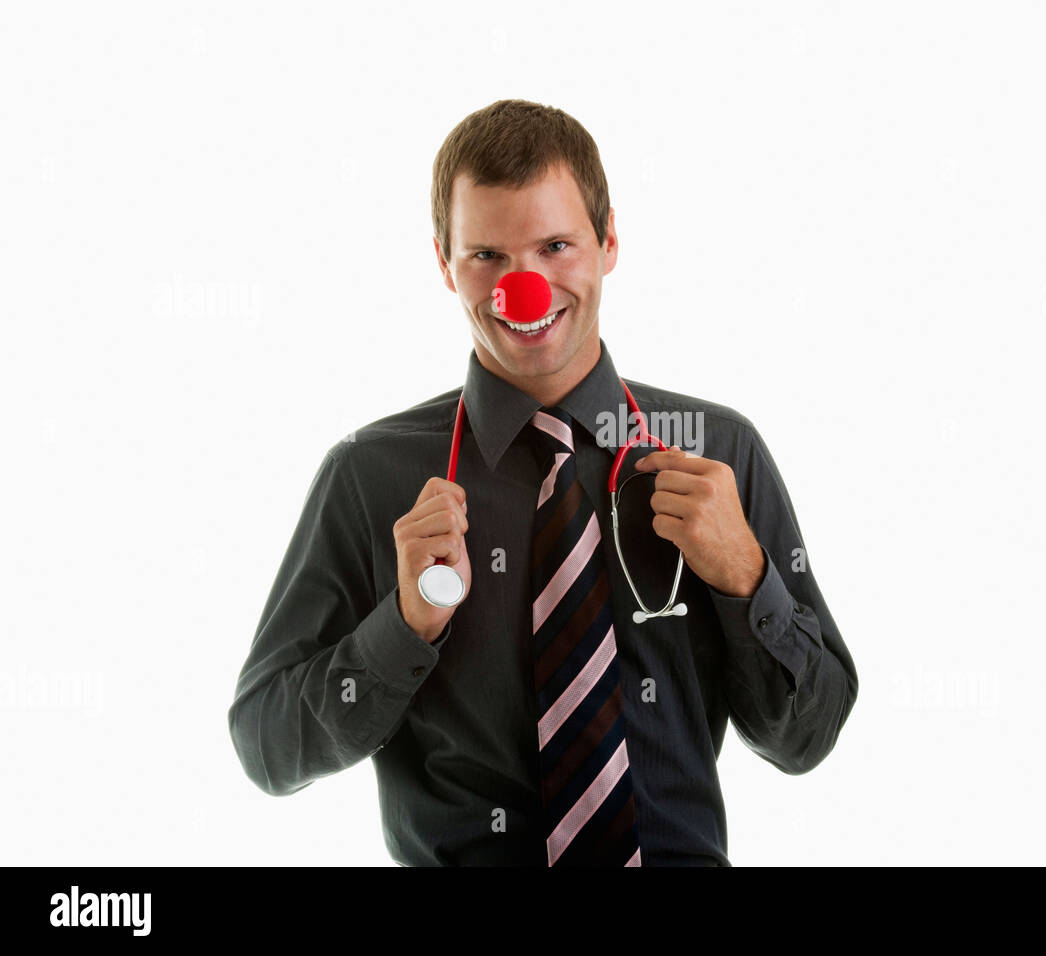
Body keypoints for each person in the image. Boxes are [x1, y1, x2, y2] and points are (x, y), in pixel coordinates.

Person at [227, 99, 858, 866]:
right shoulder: (369, 475)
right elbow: (267, 749)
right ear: (442, 264)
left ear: (609, 241)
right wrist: (403, 624)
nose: (523, 289)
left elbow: (809, 739)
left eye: (555, 245)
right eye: (487, 256)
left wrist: (747, 580)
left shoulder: (718, 451)